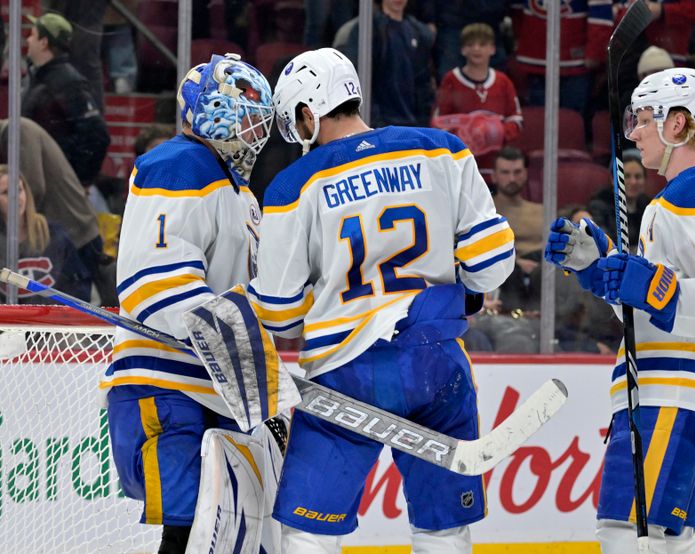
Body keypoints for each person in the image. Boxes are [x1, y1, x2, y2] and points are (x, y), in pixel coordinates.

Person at [250, 47, 515, 553]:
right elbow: (493, 265)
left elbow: (280, 315)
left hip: (346, 373)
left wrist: (316, 290)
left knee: (309, 531)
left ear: (308, 112)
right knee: (442, 528)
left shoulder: (293, 184)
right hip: (438, 361)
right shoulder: (441, 149)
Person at [545, 67, 695, 552]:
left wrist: (649, 285)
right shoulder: (671, 201)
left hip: (677, 386)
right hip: (679, 385)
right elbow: (654, 302)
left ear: (677, 124)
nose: (635, 131)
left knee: (624, 530)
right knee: (672, 538)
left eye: (644, 118)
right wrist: (599, 265)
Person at [101, 53, 282, 553]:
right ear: (211, 112)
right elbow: (155, 287)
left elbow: (254, 296)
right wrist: (244, 352)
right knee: (190, 527)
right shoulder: (179, 163)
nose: (253, 131)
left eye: (257, 121)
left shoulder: (242, 193)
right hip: (166, 380)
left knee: (231, 532)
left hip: (222, 388)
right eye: (244, 116)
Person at [22, 12, 110, 186]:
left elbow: (97, 135)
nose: (28, 40)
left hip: (54, 184)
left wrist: (79, 180)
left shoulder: (67, 83)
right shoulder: (41, 78)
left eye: (32, 35)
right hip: (42, 178)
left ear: (44, 42)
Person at [431, 23, 523, 178]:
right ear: (462, 50)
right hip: (461, 166)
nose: (476, 49)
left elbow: (516, 120)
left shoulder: (503, 82)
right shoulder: (451, 80)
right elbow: (438, 123)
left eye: (482, 44)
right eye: (470, 44)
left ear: (493, 49)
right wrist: (464, 134)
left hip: (496, 169)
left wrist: (495, 132)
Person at [0, 165, 90, 303]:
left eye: (18, 190)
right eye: (6, 192)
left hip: (48, 322)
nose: (15, 198)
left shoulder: (53, 235)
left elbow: (78, 285)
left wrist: (64, 318)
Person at [340, 0, 435, 127]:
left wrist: (423, 121)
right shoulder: (367, 29)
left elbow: (423, 81)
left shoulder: (419, 32)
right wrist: (374, 120)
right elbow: (358, 76)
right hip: (379, 120)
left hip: (412, 121)